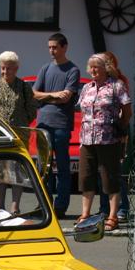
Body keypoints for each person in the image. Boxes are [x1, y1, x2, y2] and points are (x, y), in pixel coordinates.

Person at [74, 54, 130, 230]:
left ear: (105, 68)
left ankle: (113, 216)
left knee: (110, 178)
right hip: (87, 139)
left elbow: (127, 110)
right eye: (90, 67)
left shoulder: (116, 86)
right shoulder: (86, 88)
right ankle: (85, 214)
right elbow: (82, 109)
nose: (93, 70)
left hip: (108, 139)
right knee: (86, 177)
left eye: (96, 67)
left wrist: (120, 127)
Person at [32, 32, 81, 219]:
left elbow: (66, 97)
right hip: (43, 123)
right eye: (50, 47)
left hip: (61, 124)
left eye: (55, 47)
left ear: (64, 47)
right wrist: (54, 95)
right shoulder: (45, 68)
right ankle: (43, 204)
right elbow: (35, 94)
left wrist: (46, 96)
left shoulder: (72, 70)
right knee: (43, 167)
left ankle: (61, 206)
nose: (51, 51)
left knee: (62, 167)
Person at [0, 51, 38, 212]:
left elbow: (32, 109)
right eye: (3, 68)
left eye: (10, 68)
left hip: (18, 134)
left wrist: (20, 122)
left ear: (16, 68)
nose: (6, 71)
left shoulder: (23, 86)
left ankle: (15, 207)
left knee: (17, 169)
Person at [96, 51, 132, 222]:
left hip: (116, 130)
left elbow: (125, 109)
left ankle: (122, 208)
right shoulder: (96, 82)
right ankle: (104, 208)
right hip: (101, 131)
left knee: (116, 171)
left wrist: (122, 129)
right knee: (101, 171)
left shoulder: (120, 81)